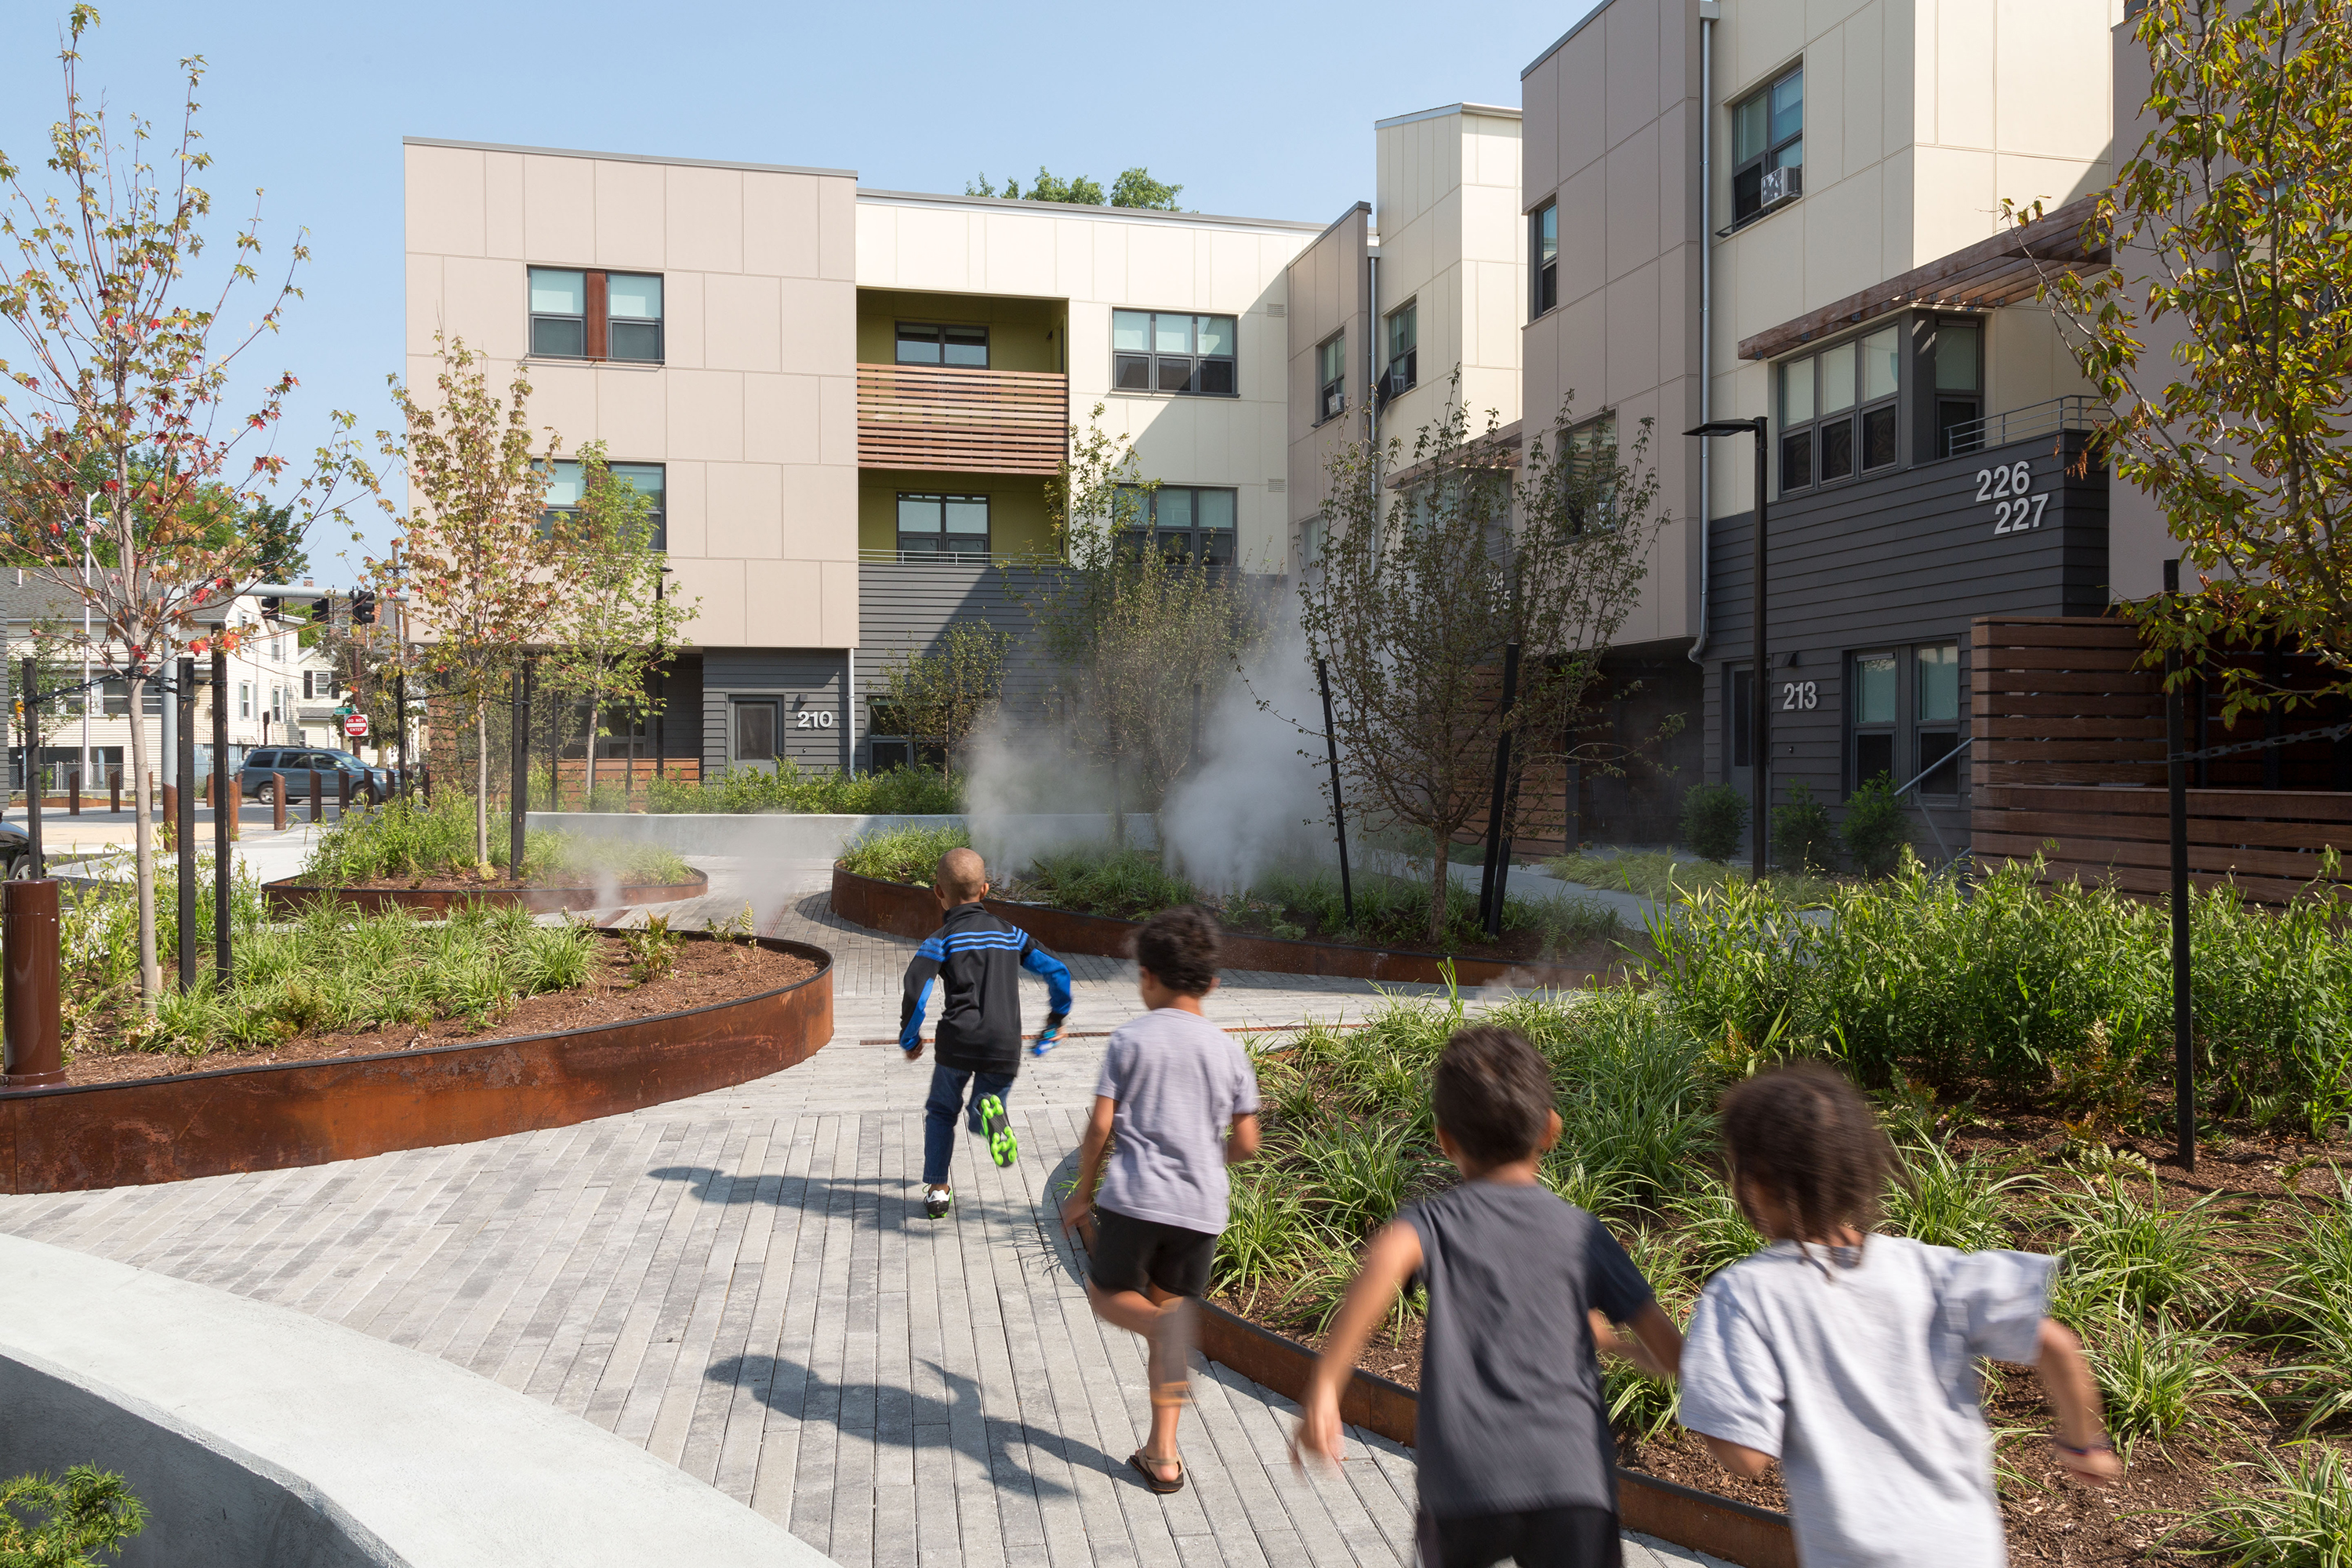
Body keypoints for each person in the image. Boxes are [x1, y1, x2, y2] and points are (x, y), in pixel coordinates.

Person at [1678, 1062, 2122, 1568]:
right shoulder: (1931, 1269)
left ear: (1754, 1181)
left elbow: (1744, 1458)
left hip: (1861, 1554)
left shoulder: (1746, 1293)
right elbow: (2057, 1344)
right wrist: (2086, 1446)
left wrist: (1704, 1377)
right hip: (1967, 1545)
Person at [1294, 1026, 1682, 1568]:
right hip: (1572, 1481)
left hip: (1464, 1485)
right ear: (1552, 1129)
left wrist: (1325, 1389)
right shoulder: (1584, 1234)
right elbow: (1672, 1353)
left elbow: (1385, 1258)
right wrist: (1626, 1348)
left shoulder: (1432, 1224)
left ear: (1444, 1139)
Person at [1059, 906, 1259, 1496]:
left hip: (1136, 1199)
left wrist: (1080, 1193)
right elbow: (1247, 1143)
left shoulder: (1130, 1039)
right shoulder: (1229, 1051)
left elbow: (1101, 1128)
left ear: (1146, 976)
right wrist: (1206, 1157)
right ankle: (1163, 1456)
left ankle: (1156, 1329)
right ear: (1213, 984)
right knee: (1170, 1318)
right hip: (1199, 1209)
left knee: (1107, 1297)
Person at [900, 846, 1072, 1220]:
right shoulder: (1011, 934)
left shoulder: (942, 939)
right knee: (985, 1104)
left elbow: (917, 989)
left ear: (937, 892)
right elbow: (1057, 970)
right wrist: (1056, 1020)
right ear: (986, 890)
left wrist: (909, 1038)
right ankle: (986, 1115)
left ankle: (938, 1189)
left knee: (942, 1111)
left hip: (957, 1042)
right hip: (1003, 1044)